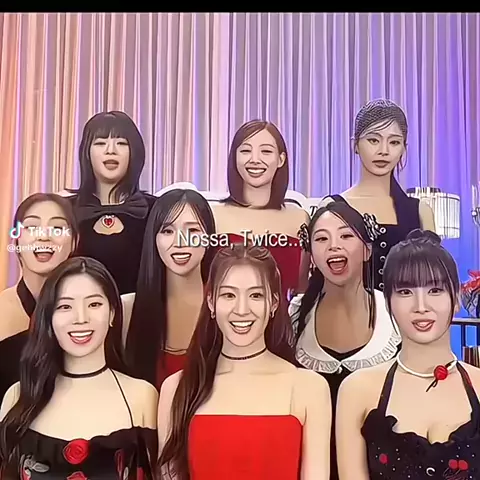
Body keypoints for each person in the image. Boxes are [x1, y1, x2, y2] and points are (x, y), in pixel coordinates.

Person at [157, 244, 331, 480]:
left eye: (256, 295)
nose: (241, 310)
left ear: (274, 303)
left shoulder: (308, 387)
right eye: (229, 295)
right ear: (211, 303)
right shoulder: (177, 388)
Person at [336, 230, 480, 479]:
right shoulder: (357, 390)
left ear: (456, 298)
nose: (421, 306)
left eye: (435, 290)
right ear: (388, 302)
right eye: (405, 292)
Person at [0, 257, 158, 479]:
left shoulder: (142, 397)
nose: (81, 318)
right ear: (49, 317)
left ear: (112, 313)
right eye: (65, 306)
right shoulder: (18, 397)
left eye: (94, 304)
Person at [289, 200, 400, 480]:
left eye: (346, 235)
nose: (334, 246)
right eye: (322, 239)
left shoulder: (394, 312)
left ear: (367, 249)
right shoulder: (294, 316)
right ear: (311, 254)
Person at [321, 99, 436, 292]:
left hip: (405, 312)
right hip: (347, 311)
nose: (384, 151)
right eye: (373, 140)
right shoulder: (333, 207)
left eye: (394, 142)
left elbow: (433, 280)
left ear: (404, 148)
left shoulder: (419, 211)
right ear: (355, 145)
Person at [124, 189, 216, 390]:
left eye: (193, 231)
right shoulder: (127, 311)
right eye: (167, 231)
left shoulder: (224, 307)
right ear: (153, 239)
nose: (180, 242)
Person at [212, 119, 309, 298]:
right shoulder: (214, 216)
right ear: (234, 157)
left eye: (266, 151)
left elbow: (302, 291)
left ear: (281, 159)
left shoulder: (300, 219)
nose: (255, 160)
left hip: (286, 314)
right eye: (246, 151)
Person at [64, 111, 156, 294]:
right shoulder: (64, 210)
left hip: (142, 310)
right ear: (87, 153)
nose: (111, 150)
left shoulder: (156, 209)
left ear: (134, 153)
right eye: (100, 143)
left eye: (121, 143)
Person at [0, 193, 78, 402]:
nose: (44, 237)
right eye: (31, 227)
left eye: (57, 228)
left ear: (74, 242)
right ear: (16, 241)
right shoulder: (2, 309)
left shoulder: (85, 314)